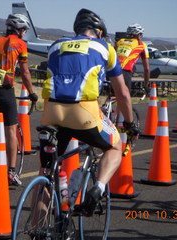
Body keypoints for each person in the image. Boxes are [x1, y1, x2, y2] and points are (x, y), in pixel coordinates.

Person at [39, 8, 139, 216]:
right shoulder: (105, 47)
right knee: (114, 147)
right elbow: (122, 93)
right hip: (83, 112)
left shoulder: (55, 45)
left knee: (46, 174)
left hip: (51, 112)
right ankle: (98, 189)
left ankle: (35, 226)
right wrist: (130, 124)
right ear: (99, 31)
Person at [0, 14, 38, 186]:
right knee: (10, 130)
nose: (24, 33)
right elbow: (25, 73)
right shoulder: (20, 44)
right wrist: (32, 92)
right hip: (6, 89)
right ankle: (11, 172)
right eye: (24, 30)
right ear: (19, 30)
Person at [115, 24, 150, 95]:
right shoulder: (141, 45)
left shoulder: (119, 42)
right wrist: (146, 85)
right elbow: (147, 69)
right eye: (141, 35)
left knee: (115, 94)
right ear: (138, 35)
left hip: (113, 69)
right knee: (125, 96)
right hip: (125, 71)